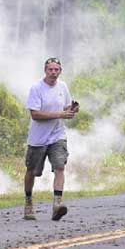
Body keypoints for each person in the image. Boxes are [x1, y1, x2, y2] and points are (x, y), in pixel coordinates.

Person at [23, 57, 78, 221]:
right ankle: (28, 203)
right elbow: (35, 114)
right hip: (38, 138)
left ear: (60, 71)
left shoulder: (63, 86)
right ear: (45, 71)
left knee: (60, 167)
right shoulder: (36, 88)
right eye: (50, 69)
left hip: (58, 135)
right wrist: (60, 114)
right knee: (32, 171)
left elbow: (66, 107)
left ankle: (57, 205)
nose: (54, 72)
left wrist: (72, 109)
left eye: (56, 70)